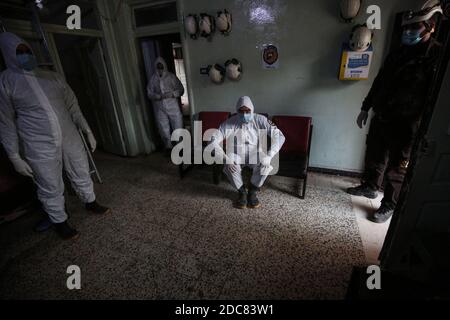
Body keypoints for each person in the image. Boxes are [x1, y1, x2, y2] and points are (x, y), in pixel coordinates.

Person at [0, 32, 111, 240]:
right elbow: (5, 123)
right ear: (8, 54)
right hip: (38, 143)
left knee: (81, 169)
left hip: (69, 136)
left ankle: (90, 201)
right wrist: (14, 156)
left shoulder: (52, 76)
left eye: (26, 51)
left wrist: (87, 130)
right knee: (49, 183)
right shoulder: (6, 82)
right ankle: (60, 221)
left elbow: (72, 106)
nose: (25, 55)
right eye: (19, 52)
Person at [347, 0, 443, 223]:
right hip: (383, 117)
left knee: (397, 167)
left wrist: (425, 127)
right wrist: (365, 107)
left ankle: (389, 204)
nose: (408, 32)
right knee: (375, 156)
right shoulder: (398, 53)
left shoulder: (436, 57)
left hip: (408, 123)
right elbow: (380, 82)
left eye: (415, 28)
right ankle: (370, 186)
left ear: (430, 27)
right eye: (406, 28)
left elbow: (435, 97)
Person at [209, 96, 285, 209]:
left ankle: (253, 191)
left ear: (252, 110)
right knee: (230, 166)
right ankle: (241, 191)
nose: (244, 114)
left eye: (247, 111)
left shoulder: (261, 120)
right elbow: (213, 140)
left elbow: (279, 136)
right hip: (236, 154)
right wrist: (226, 158)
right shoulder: (229, 122)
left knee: (265, 165)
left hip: (255, 153)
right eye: (241, 111)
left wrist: (269, 155)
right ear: (237, 111)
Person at [147, 57, 185, 155]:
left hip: (172, 106)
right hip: (160, 107)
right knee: (163, 126)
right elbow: (149, 93)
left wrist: (173, 94)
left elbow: (181, 89)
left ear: (164, 65)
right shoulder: (153, 79)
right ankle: (168, 146)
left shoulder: (171, 77)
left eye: (161, 66)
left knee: (177, 125)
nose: (160, 68)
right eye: (158, 66)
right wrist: (157, 96)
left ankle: (180, 145)